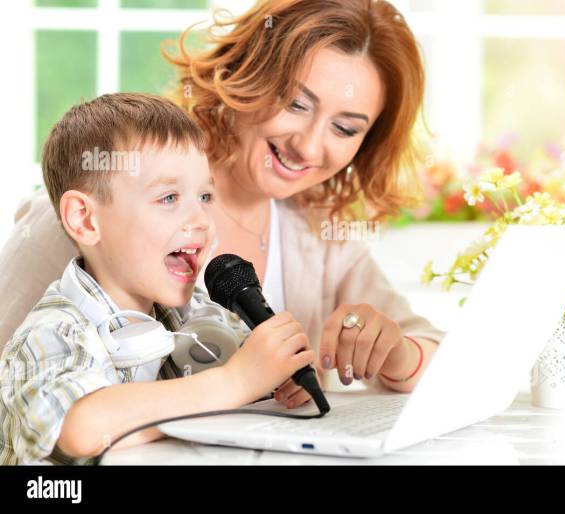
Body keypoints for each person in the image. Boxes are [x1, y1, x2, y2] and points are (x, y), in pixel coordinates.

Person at [0, 0, 444, 412]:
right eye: (295, 103)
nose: (309, 145)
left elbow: (444, 362)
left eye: (345, 129)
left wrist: (397, 354)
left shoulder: (318, 238)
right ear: (246, 75)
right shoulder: (87, 216)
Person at [0, 93, 315, 464]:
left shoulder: (195, 313)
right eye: (169, 198)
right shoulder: (52, 332)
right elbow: (79, 426)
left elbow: (255, 371)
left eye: (205, 196)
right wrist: (236, 381)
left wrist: (282, 378)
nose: (201, 220)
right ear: (85, 219)